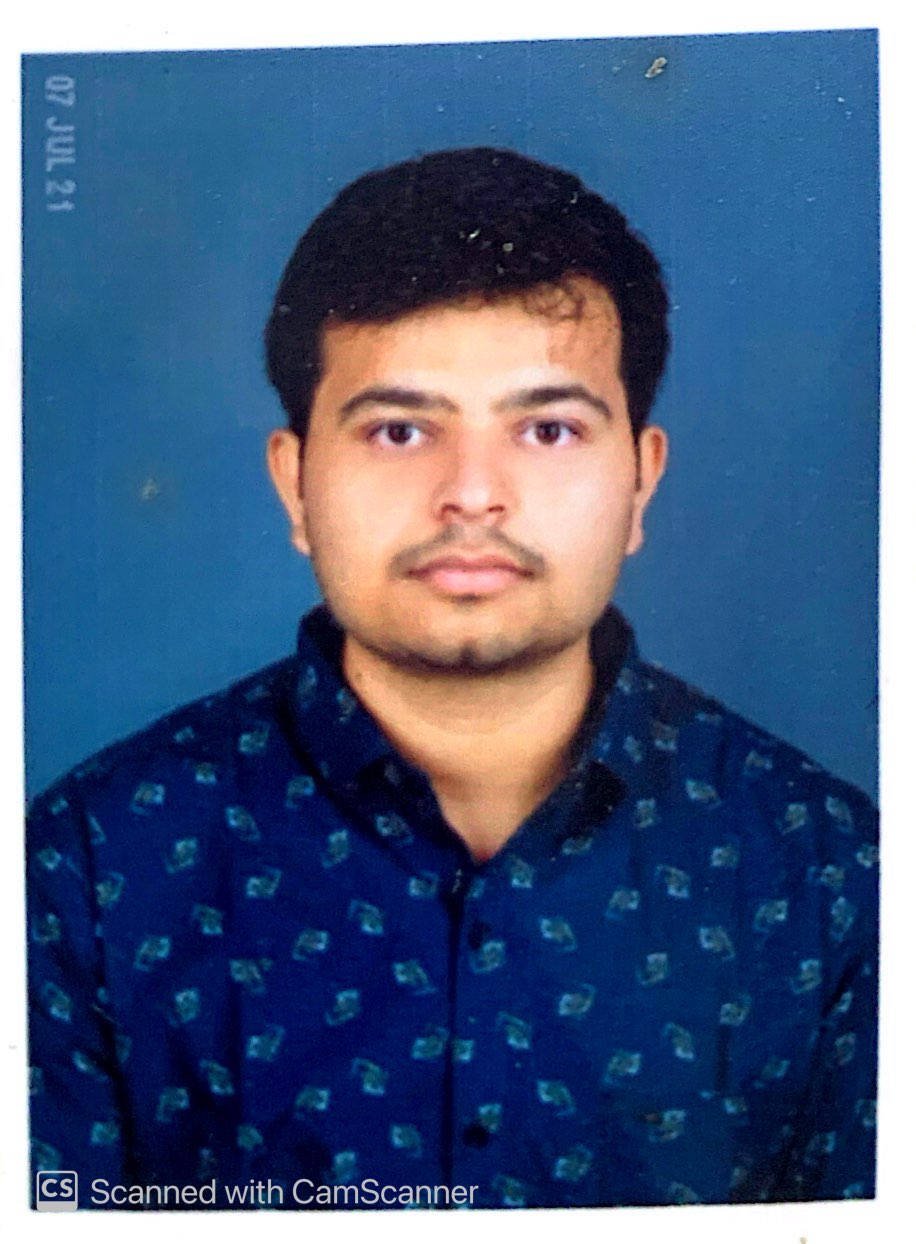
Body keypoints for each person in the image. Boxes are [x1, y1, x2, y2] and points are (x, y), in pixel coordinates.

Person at [27, 147, 878, 1211]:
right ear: (295, 484)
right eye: (399, 430)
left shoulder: (831, 874)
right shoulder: (87, 868)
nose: (473, 494)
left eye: (548, 428)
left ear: (639, 481)